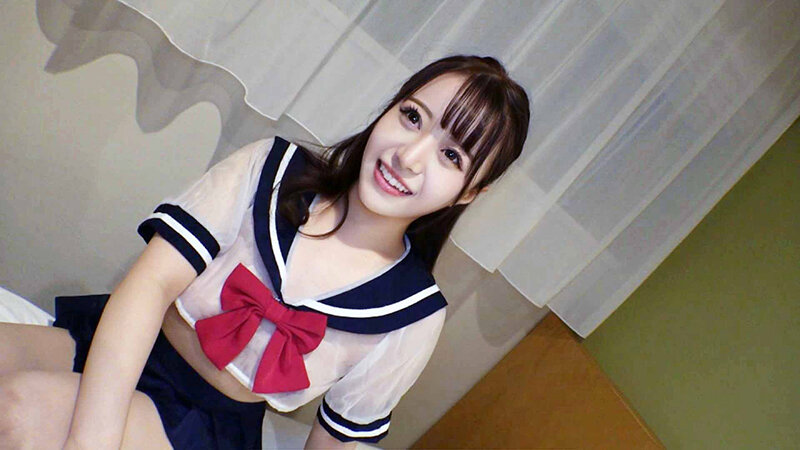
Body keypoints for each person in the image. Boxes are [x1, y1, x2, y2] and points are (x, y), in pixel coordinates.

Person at [0, 55, 530, 449]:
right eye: (412, 117)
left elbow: (338, 439)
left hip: (201, 425)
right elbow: (150, 284)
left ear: (470, 193)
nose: (409, 156)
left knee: (19, 411)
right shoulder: (270, 170)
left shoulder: (411, 315)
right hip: (135, 344)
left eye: (451, 155)